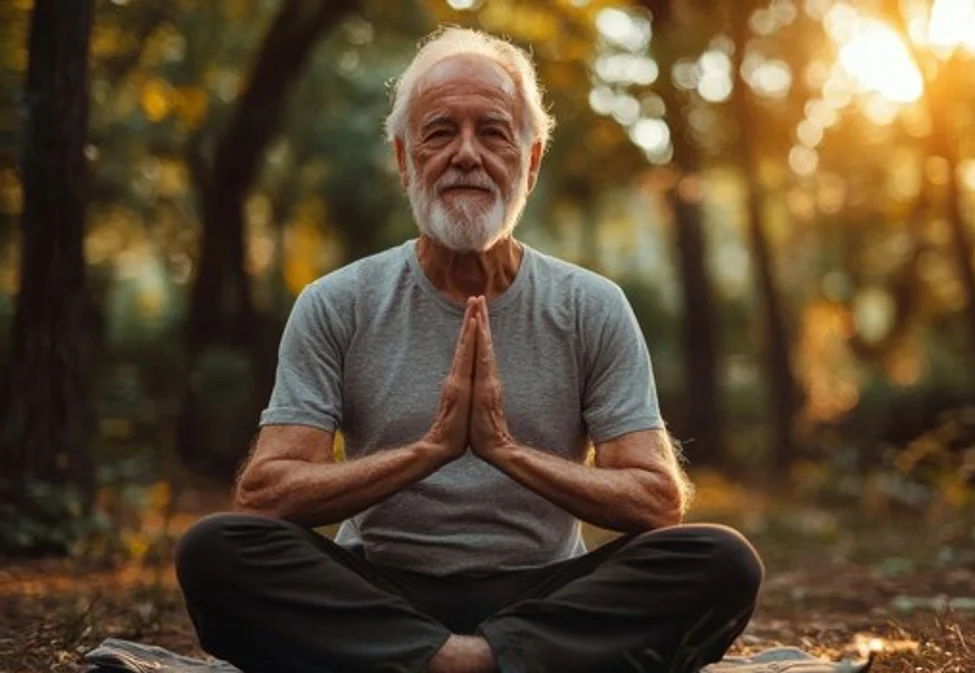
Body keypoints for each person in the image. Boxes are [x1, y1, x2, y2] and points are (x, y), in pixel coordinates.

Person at [174, 26, 763, 673]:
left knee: (722, 561)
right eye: (439, 132)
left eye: (492, 132)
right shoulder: (337, 302)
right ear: (404, 160)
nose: (465, 154)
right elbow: (265, 494)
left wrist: (506, 450)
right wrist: (429, 450)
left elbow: (655, 499)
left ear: (530, 162)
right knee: (215, 550)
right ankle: (496, 660)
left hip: (545, 591)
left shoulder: (591, 306)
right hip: (380, 588)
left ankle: (443, 661)